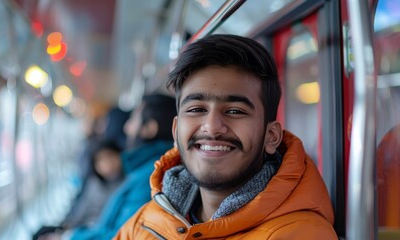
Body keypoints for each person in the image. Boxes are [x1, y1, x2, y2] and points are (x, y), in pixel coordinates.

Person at [114, 34, 337, 239]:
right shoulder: (146, 222)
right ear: (175, 131)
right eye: (196, 109)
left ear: (271, 136)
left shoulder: (303, 233)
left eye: (235, 111)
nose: (212, 127)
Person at [68, 93, 177, 239]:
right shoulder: (142, 169)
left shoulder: (152, 177)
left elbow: (120, 234)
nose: (127, 128)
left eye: (133, 120)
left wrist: (69, 237)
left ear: (149, 129)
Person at [33, 139, 123, 240]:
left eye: (110, 156)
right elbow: (81, 209)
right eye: (101, 161)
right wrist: (67, 227)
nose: (107, 163)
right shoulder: (94, 184)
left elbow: (106, 227)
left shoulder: (125, 186)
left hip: (93, 231)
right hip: (80, 228)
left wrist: (67, 236)